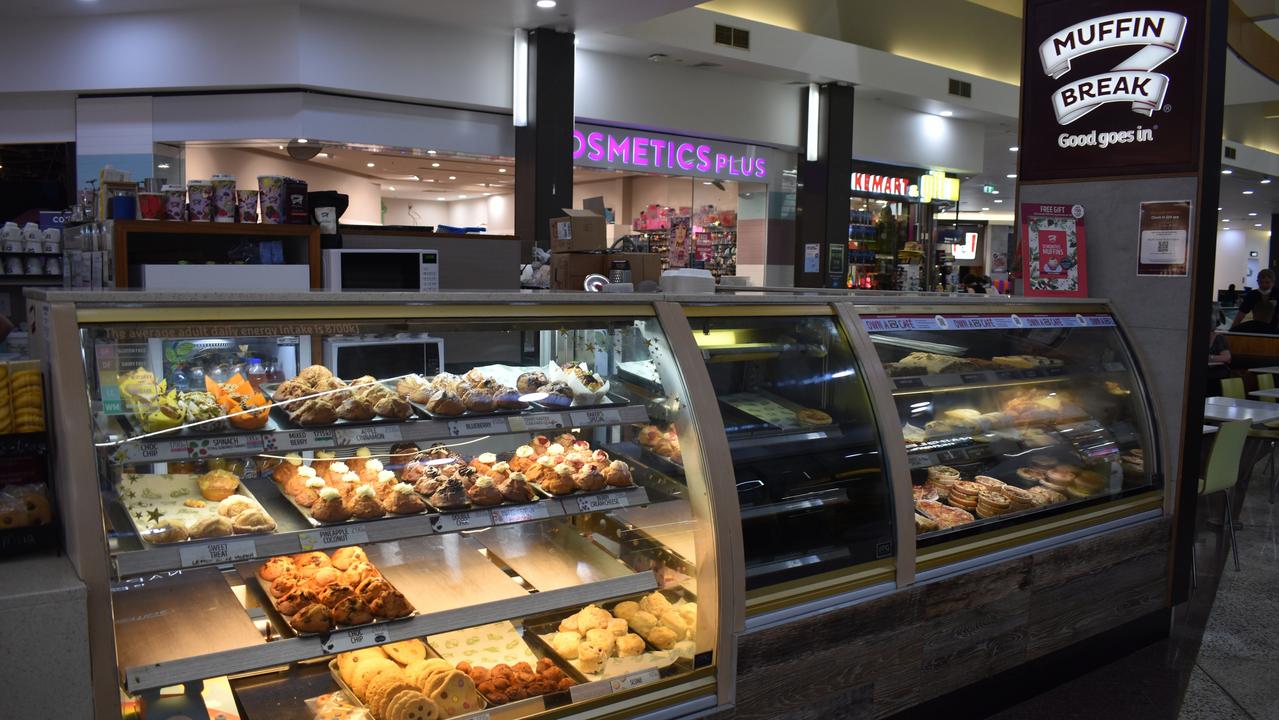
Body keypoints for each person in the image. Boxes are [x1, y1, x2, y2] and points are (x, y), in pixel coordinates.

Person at [1207, 318, 1232, 397]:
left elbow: (1227, 357)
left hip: (1218, 373)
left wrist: (1211, 358)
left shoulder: (1219, 338)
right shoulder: (1196, 338)